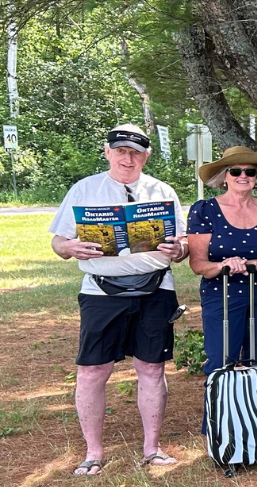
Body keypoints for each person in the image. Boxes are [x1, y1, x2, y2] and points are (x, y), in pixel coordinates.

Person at [49, 124, 188, 475]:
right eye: (121, 151)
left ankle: (152, 449)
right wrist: (70, 246)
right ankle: (93, 453)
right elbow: (58, 243)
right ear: (108, 152)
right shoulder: (85, 189)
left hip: (156, 289)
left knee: (152, 368)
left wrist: (179, 248)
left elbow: (184, 245)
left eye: (136, 152)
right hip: (100, 290)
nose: (128, 158)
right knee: (93, 371)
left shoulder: (162, 190)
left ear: (146, 156)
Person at [187, 146, 257, 378]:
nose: (243, 176)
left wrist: (248, 263)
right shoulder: (204, 211)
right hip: (222, 296)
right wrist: (222, 266)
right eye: (235, 171)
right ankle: (220, 414)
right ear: (224, 176)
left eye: (250, 172)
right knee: (221, 365)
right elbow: (198, 264)